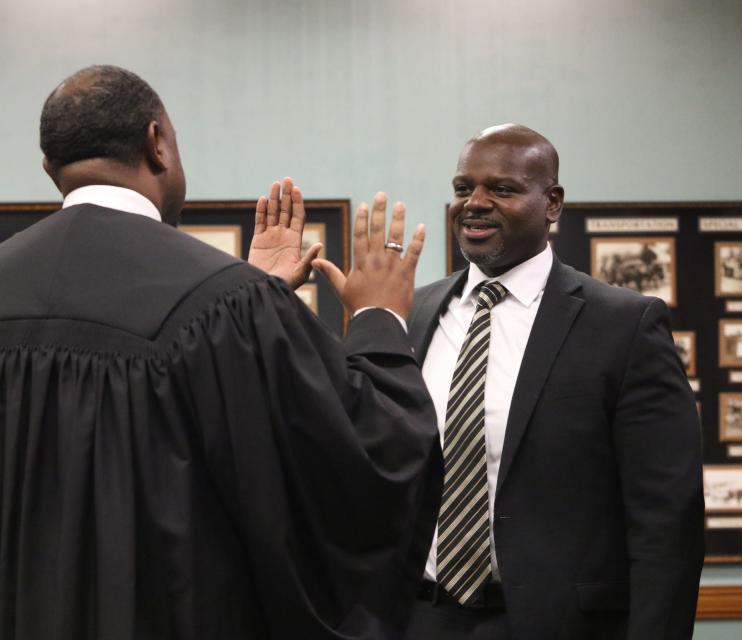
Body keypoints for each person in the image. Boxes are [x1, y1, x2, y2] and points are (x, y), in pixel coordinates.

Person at [0, 65, 440, 639]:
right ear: (157, 144)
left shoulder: (228, 304)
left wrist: (255, 307)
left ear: (48, 166)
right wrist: (379, 318)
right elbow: (361, 458)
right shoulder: (227, 305)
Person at [402, 125, 703, 639]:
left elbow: (665, 521)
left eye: (502, 189)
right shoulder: (412, 313)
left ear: (553, 203)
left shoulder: (624, 325)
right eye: (462, 188)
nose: (474, 203)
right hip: (420, 619)